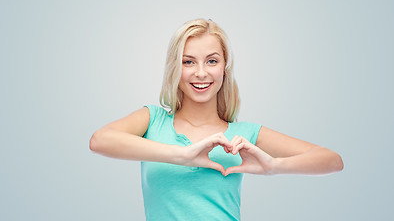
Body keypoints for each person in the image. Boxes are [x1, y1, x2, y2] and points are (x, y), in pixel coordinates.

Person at [89, 19, 344, 220]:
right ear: (175, 69)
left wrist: (273, 166)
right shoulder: (152, 120)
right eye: (188, 62)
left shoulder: (245, 134)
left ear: (224, 68)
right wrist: (183, 155)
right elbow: (100, 140)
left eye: (212, 61)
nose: (201, 73)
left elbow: (332, 160)